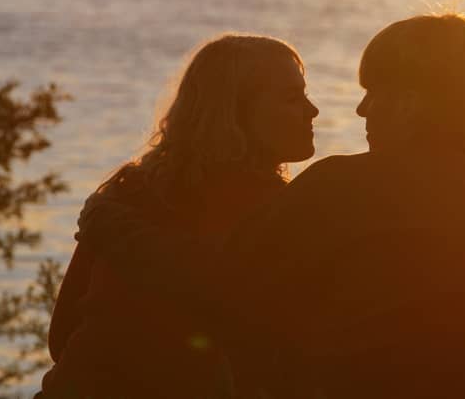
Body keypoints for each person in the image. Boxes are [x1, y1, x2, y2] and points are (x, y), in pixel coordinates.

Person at [78, 12, 465, 399]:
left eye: (374, 93)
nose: (360, 109)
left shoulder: (338, 189)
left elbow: (217, 285)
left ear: (409, 103)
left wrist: (109, 223)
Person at [39, 34, 319, 399]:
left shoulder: (127, 193)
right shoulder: (278, 212)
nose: (312, 110)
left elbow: (61, 336)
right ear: (236, 113)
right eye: (291, 98)